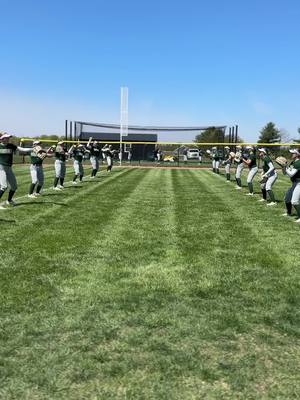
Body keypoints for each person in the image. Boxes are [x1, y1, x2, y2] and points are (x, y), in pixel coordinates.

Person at [0, 133, 31, 208]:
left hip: (9, 168)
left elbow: (22, 149)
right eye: (6, 138)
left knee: (14, 186)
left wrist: (33, 148)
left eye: (8, 138)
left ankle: (9, 201)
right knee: (4, 186)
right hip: (1, 168)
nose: (8, 139)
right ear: (2, 139)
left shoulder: (11, 146)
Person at [282, 149, 300, 222]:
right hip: (294, 183)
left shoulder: (298, 163)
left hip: (299, 183)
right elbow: (285, 173)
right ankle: (289, 213)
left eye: (293, 153)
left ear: (297, 154)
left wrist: (285, 167)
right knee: (287, 199)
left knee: (294, 201)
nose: (291, 154)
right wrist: (283, 167)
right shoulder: (293, 163)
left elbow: (291, 174)